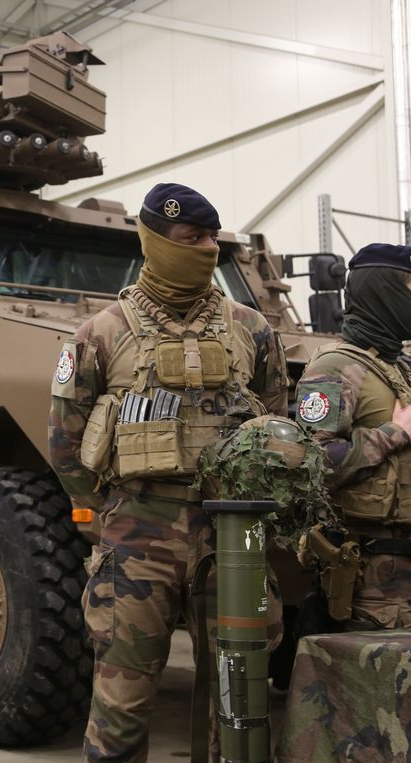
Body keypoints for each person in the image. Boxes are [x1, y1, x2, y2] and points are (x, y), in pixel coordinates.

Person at [48, 183, 289, 763]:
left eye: (211, 237)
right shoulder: (101, 334)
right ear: (155, 242)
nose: (205, 249)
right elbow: (65, 443)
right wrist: (111, 516)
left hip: (232, 537)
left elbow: (279, 428)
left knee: (237, 701)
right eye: (190, 238)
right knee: (122, 704)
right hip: (137, 535)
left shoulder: (251, 330)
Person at [294, 243, 411, 630]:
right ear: (387, 293)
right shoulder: (335, 367)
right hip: (372, 576)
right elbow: (310, 463)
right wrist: (395, 433)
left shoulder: (397, 368)